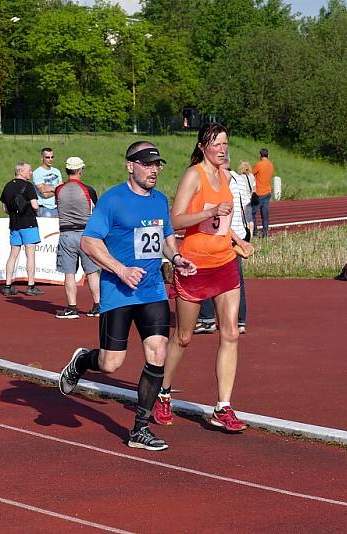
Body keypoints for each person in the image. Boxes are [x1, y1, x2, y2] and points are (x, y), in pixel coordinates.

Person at [58, 141, 196, 452]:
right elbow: (90, 243)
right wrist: (121, 270)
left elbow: (166, 239)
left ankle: (140, 428)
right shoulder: (112, 201)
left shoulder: (160, 201)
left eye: (157, 165)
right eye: (147, 164)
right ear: (129, 166)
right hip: (119, 293)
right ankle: (83, 360)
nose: (154, 170)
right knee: (111, 364)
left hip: (151, 291)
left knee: (158, 352)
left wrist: (176, 259)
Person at [153, 122, 248, 433]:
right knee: (183, 337)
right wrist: (208, 213)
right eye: (217, 144)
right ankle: (162, 393)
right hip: (194, 266)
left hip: (224, 263)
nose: (223, 149)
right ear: (202, 146)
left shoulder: (225, 175)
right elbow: (176, 219)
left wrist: (237, 240)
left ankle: (223, 406)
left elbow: (223, 218)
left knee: (231, 333)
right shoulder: (193, 175)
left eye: (225, 143)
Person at [195, 156, 252, 335]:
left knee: (205, 275)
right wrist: (246, 230)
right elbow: (246, 207)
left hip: (221, 233)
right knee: (235, 280)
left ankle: (207, 318)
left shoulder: (220, 180)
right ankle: (238, 320)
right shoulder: (241, 180)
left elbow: (217, 212)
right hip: (237, 231)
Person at [54, 156, 101, 319]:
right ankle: (97, 305)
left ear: (67, 170)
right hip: (86, 234)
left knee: (69, 273)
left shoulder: (59, 190)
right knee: (92, 272)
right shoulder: (88, 189)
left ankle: (72, 307)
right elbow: (97, 210)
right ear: (80, 170)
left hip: (66, 234)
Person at [0, 162, 44, 296]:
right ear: (21, 171)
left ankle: (8, 285)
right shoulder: (28, 186)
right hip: (28, 223)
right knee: (30, 254)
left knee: (13, 255)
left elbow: (4, 208)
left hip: (14, 224)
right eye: (29, 170)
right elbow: (35, 206)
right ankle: (31, 286)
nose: (31, 172)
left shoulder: (7, 186)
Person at [32, 147, 63, 217]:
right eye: (47, 157)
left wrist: (48, 188)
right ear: (42, 158)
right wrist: (57, 189)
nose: (50, 159)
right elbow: (44, 194)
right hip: (44, 208)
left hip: (57, 207)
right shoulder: (37, 173)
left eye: (52, 157)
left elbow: (61, 189)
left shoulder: (57, 171)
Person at [251, 148, 273, 237]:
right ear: (268, 155)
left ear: (260, 155)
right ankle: (265, 233)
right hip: (268, 192)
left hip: (259, 193)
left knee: (252, 213)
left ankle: (255, 232)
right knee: (265, 214)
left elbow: (251, 174)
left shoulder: (258, 165)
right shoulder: (271, 165)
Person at [237, 160, 256, 238]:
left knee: (244, 219)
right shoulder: (252, 176)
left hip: (243, 199)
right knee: (250, 218)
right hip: (250, 198)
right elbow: (254, 188)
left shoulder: (240, 177)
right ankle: (251, 235)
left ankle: (245, 235)